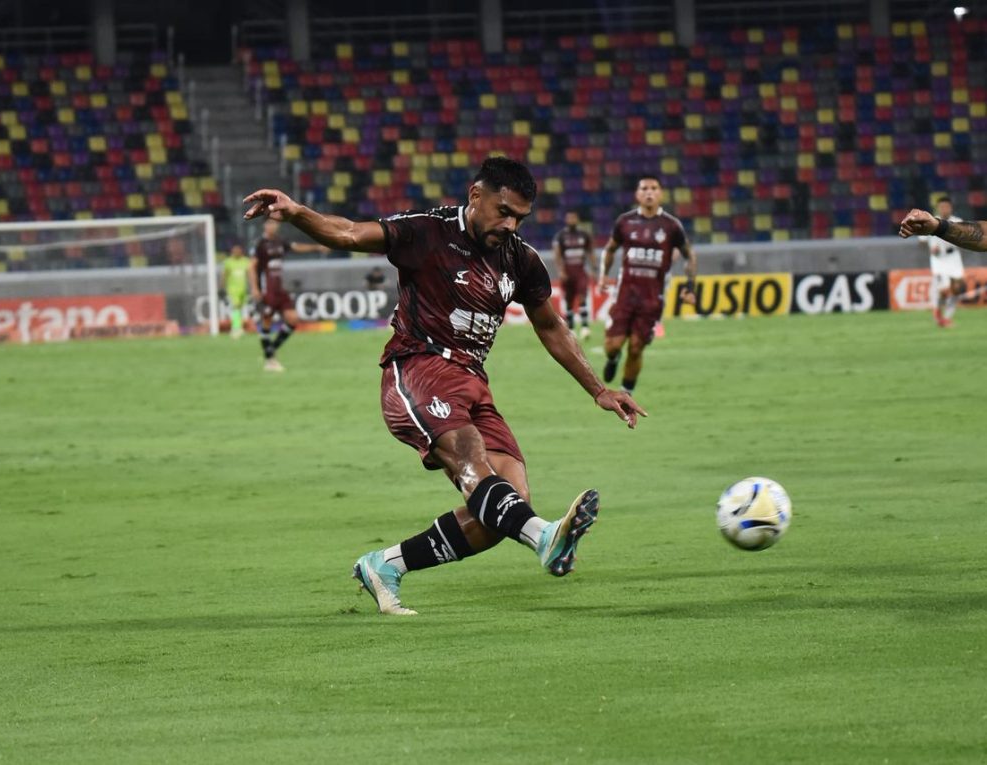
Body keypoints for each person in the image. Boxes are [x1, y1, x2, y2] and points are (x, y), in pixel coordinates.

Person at [243, 157, 646, 616]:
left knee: (505, 507)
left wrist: (598, 389)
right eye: (504, 211)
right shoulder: (427, 231)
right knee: (474, 464)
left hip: (473, 382)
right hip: (418, 368)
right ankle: (544, 537)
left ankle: (384, 565)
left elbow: (551, 325)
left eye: (520, 217)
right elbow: (350, 233)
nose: (510, 225)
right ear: (475, 195)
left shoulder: (520, 259)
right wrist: (297, 213)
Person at [598, 176, 697, 394]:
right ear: (637, 194)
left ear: (660, 194)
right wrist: (603, 275)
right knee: (612, 346)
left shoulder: (671, 226)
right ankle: (613, 359)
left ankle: (626, 394)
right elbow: (610, 249)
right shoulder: (625, 222)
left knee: (636, 347)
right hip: (624, 295)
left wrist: (690, 287)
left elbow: (690, 255)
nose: (649, 192)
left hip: (651, 300)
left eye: (654, 188)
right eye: (644, 188)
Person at [249, 219, 327, 371]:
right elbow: (251, 267)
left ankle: (270, 350)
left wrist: (317, 247)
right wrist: (254, 288)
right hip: (266, 289)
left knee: (293, 319)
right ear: (264, 226)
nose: (273, 226)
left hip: (279, 289)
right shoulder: (260, 244)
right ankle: (270, 360)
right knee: (267, 321)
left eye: (275, 223)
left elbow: (296, 247)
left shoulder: (280, 242)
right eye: (270, 223)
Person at [911, 197, 967, 328]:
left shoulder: (958, 222)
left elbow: (966, 239)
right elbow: (921, 241)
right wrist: (930, 247)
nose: (944, 209)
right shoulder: (930, 221)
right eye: (942, 207)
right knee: (944, 289)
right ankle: (937, 312)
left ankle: (946, 317)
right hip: (938, 259)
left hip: (954, 257)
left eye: (946, 207)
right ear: (937, 208)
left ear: (951, 208)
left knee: (957, 289)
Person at [552, 211, 596, 340]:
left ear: (577, 219)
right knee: (569, 300)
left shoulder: (584, 235)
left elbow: (590, 251)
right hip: (568, 272)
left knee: (582, 297)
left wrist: (594, 268)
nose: (571, 220)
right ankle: (571, 328)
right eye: (569, 218)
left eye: (573, 218)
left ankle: (585, 327)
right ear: (566, 220)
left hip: (580, 271)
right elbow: (557, 255)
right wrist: (561, 271)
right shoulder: (561, 236)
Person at [899, 208, 987, 251]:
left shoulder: (956, 219)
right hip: (938, 260)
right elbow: (982, 235)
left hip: (954, 259)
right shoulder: (936, 218)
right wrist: (937, 227)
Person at [219, 244, 252, 338]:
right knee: (236, 307)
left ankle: (238, 327)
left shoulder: (246, 261)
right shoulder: (228, 262)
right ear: (232, 251)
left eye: (238, 250)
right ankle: (236, 328)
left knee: (240, 308)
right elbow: (224, 275)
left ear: (241, 251)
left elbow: (250, 274)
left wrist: (252, 286)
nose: (236, 252)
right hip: (232, 289)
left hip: (243, 288)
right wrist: (221, 287)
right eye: (235, 250)